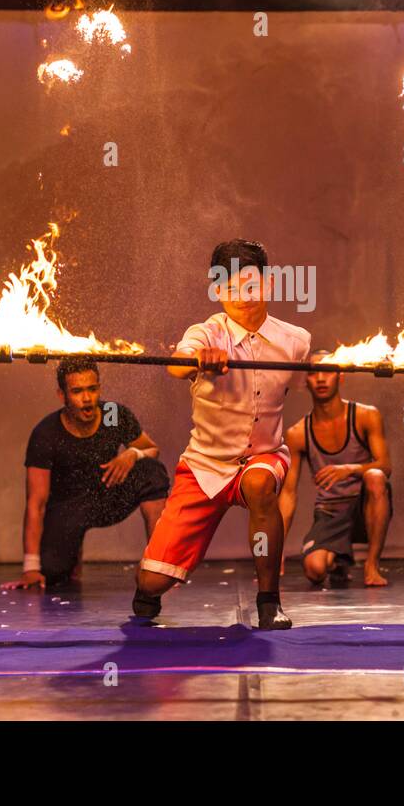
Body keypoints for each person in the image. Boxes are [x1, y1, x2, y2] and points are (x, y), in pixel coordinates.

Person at [133, 239, 311, 629]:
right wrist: (200, 360)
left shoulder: (296, 340)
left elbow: (305, 381)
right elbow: (178, 366)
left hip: (262, 457)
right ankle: (147, 589)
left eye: (250, 286)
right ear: (217, 290)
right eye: (229, 288)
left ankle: (269, 603)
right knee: (151, 581)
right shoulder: (205, 333)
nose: (242, 297)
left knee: (262, 484)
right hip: (205, 465)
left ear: (268, 285)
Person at [2, 356, 168, 590]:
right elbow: (36, 503)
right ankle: (71, 553)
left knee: (152, 471)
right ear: (62, 395)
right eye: (78, 391)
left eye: (92, 389)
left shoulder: (111, 414)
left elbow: (152, 449)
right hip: (69, 507)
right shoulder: (47, 433)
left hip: (109, 493)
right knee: (52, 574)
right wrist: (30, 568)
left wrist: (131, 454)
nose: (87, 399)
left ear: (99, 388)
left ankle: (158, 564)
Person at [279, 352, 393, 587]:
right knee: (314, 570)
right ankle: (338, 560)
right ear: (305, 381)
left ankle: (372, 565)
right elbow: (289, 493)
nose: (320, 379)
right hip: (330, 513)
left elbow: (385, 466)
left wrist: (350, 469)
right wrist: (276, 548)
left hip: (364, 508)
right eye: (313, 373)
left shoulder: (366, 416)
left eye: (328, 372)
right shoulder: (297, 433)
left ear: (340, 377)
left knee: (375, 476)